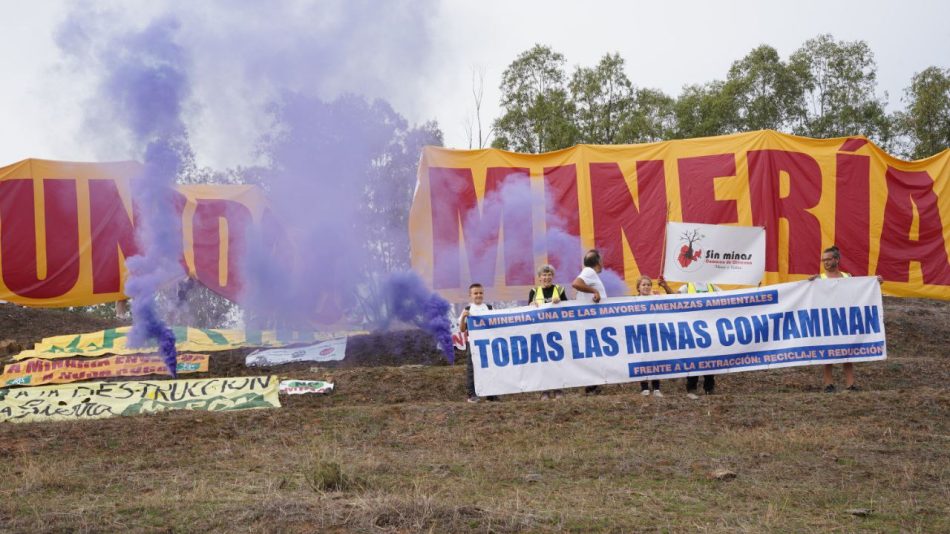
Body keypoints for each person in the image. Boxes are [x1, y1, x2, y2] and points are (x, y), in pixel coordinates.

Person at [808, 245, 882, 393]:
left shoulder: (848, 277)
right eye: (823, 260)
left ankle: (850, 384)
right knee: (827, 353)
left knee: (848, 352)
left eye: (828, 260)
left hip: (846, 320)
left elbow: (860, 290)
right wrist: (809, 283)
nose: (826, 263)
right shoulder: (819, 279)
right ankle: (828, 384)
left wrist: (875, 282)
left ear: (836, 259)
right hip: (827, 320)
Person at [675, 277, 721, 399]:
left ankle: (709, 388)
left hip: (710, 329)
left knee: (709, 359)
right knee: (693, 360)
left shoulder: (713, 286)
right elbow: (674, 299)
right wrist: (664, 286)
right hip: (691, 329)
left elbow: (730, 297)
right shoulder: (686, 286)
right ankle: (691, 388)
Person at [529, 265, 568, 399]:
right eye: (544, 275)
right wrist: (531, 305)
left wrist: (561, 302)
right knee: (543, 361)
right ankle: (545, 390)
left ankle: (558, 389)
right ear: (539, 278)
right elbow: (528, 311)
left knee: (557, 360)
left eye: (549, 274)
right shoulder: (534, 291)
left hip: (557, 331)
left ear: (553, 276)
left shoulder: (560, 290)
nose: (546, 277)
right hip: (540, 331)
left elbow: (568, 309)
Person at [572, 249, 607, 394]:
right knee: (594, 351)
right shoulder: (589, 272)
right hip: (592, 320)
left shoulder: (588, 273)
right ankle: (591, 384)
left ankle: (593, 384)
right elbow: (576, 283)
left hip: (592, 319)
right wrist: (595, 292)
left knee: (593, 351)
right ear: (598, 262)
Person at [459, 283, 498, 403]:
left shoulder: (490, 308)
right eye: (475, 293)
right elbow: (462, 329)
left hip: (489, 343)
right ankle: (472, 395)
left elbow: (497, 324)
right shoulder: (467, 309)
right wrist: (464, 318)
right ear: (470, 295)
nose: (478, 295)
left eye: (480, 293)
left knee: (491, 368)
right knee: (472, 369)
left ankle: (492, 395)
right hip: (473, 344)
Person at [635, 275, 673, 397]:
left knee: (656, 359)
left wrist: (664, 287)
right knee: (643, 360)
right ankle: (644, 388)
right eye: (643, 284)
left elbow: (672, 299)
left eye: (648, 284)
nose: (646, 287)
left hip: (655, 333)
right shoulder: (633, 300)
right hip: (641, 334)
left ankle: (656, 388)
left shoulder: (656, 297)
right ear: (638, 288)